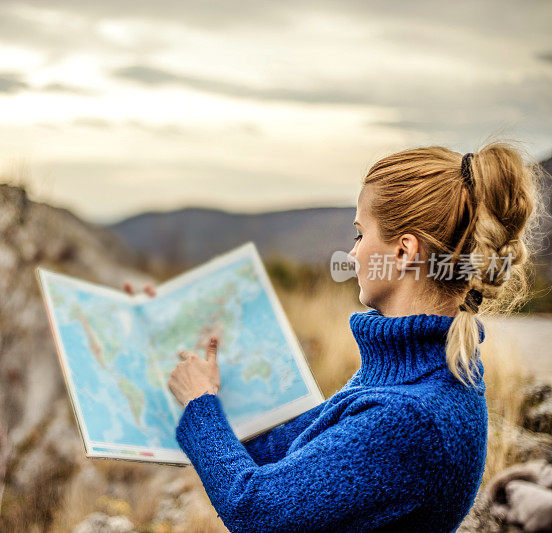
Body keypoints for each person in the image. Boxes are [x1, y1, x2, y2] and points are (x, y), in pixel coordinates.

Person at [123, 142, 542, 532]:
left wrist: (201, 406)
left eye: (360, 234)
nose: (353, 252)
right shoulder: (409, 374)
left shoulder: (411, 416)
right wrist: (180, 340)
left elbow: (256, 510)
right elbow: (292, 453)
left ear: (403, 252)